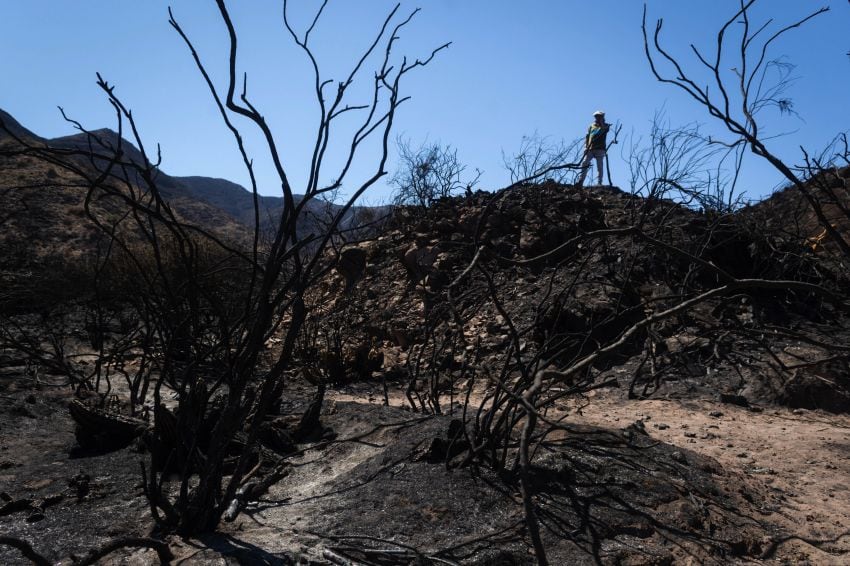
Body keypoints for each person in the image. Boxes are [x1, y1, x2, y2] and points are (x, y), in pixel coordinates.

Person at [576, 110, 610, 187]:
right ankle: (580, 181)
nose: (597, 118)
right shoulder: (591, 126)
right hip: (590, 148)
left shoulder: (606, 125)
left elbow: (604, 129)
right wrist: (586, 147)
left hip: (600, 149)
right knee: (584, 163)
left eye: (599, 116)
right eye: (596, 116)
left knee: (600, 166)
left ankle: (599, 182)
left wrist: (601, 123)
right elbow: (587, 136)